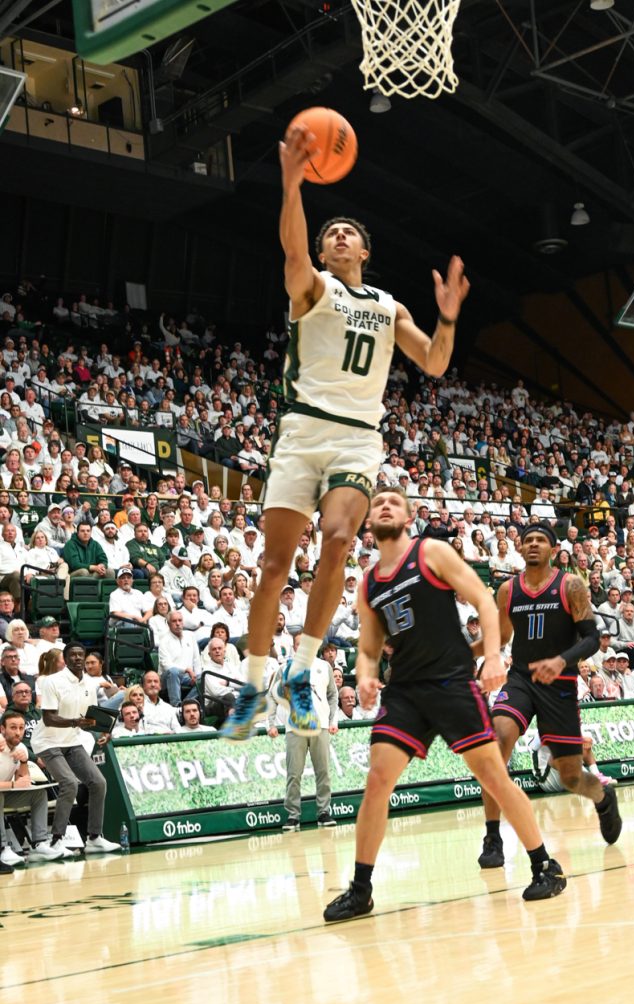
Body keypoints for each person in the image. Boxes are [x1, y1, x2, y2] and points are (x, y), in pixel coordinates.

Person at [222, 122, 470, 741]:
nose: (337, 237)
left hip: (358, 435)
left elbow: (435, 362)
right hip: (302, 431)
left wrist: (446, 318)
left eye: (349, 234)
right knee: (276, 565)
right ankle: (255, 684)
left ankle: (302, 670)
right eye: (331, 232)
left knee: (337, 540)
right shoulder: (313, 286)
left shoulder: (389, 306)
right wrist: (291, 184)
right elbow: (292, 249)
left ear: (364, 253)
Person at [323, 489, 566, 924]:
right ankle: (360, 889)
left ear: (409, 516)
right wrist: (364, 676)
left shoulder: (431, 552)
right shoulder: (369, 583)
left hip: (452, 682)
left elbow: (485, 601)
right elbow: (368, 646)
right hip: (405, 692)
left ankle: (544, 864)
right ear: (367, 521)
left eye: (394, 502)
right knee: (378, 780)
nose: (384, 506)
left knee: (493, 776)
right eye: (378, 502)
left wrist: (492, 656)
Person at [478, 522, 621, 871]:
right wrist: (464, 656)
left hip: (559, 684)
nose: (533, 545)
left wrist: (562, 660)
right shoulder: (508, 590)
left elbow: (591, 638)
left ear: (553, 550)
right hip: (521, 680)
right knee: (496, 744)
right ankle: (493, 835)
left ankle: (603, 798)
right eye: (527, 540)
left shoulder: (571, 585)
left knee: (571, 777)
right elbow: (499, 637)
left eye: (541, 540)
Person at [29, 642, 120, 855]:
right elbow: (49, 717)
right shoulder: (52, 681)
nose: (78, 658)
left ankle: (94, 838)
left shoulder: (89, 683)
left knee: (98, 782)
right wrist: (74, 723)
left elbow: (89, 716)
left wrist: (104, 730)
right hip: (48, 742)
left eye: (81, 655)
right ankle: (55, 841)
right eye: (73, 655)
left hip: (72, 740)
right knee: (69, 783)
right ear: (66, 658)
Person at [266, 656, 339, 831]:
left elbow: (333, 695)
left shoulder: (324, 666)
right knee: (294, 774)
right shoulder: (286, 668)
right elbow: (271, 695)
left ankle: (323, 812)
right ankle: (293, 816)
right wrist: (271, 723)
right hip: (294, 727)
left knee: (323, 772)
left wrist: (333, 720)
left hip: (320, 725)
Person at [0, 708, 62, 866]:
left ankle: (39, 844)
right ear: (2, 729)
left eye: (21, 728)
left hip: (5, 794)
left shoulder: (21, 748)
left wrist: (23, 762)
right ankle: (3, 848)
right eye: (13, 727)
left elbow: (23, 780)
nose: (18, 732)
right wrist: (14, 784)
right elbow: (16, 783)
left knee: (38, 794)